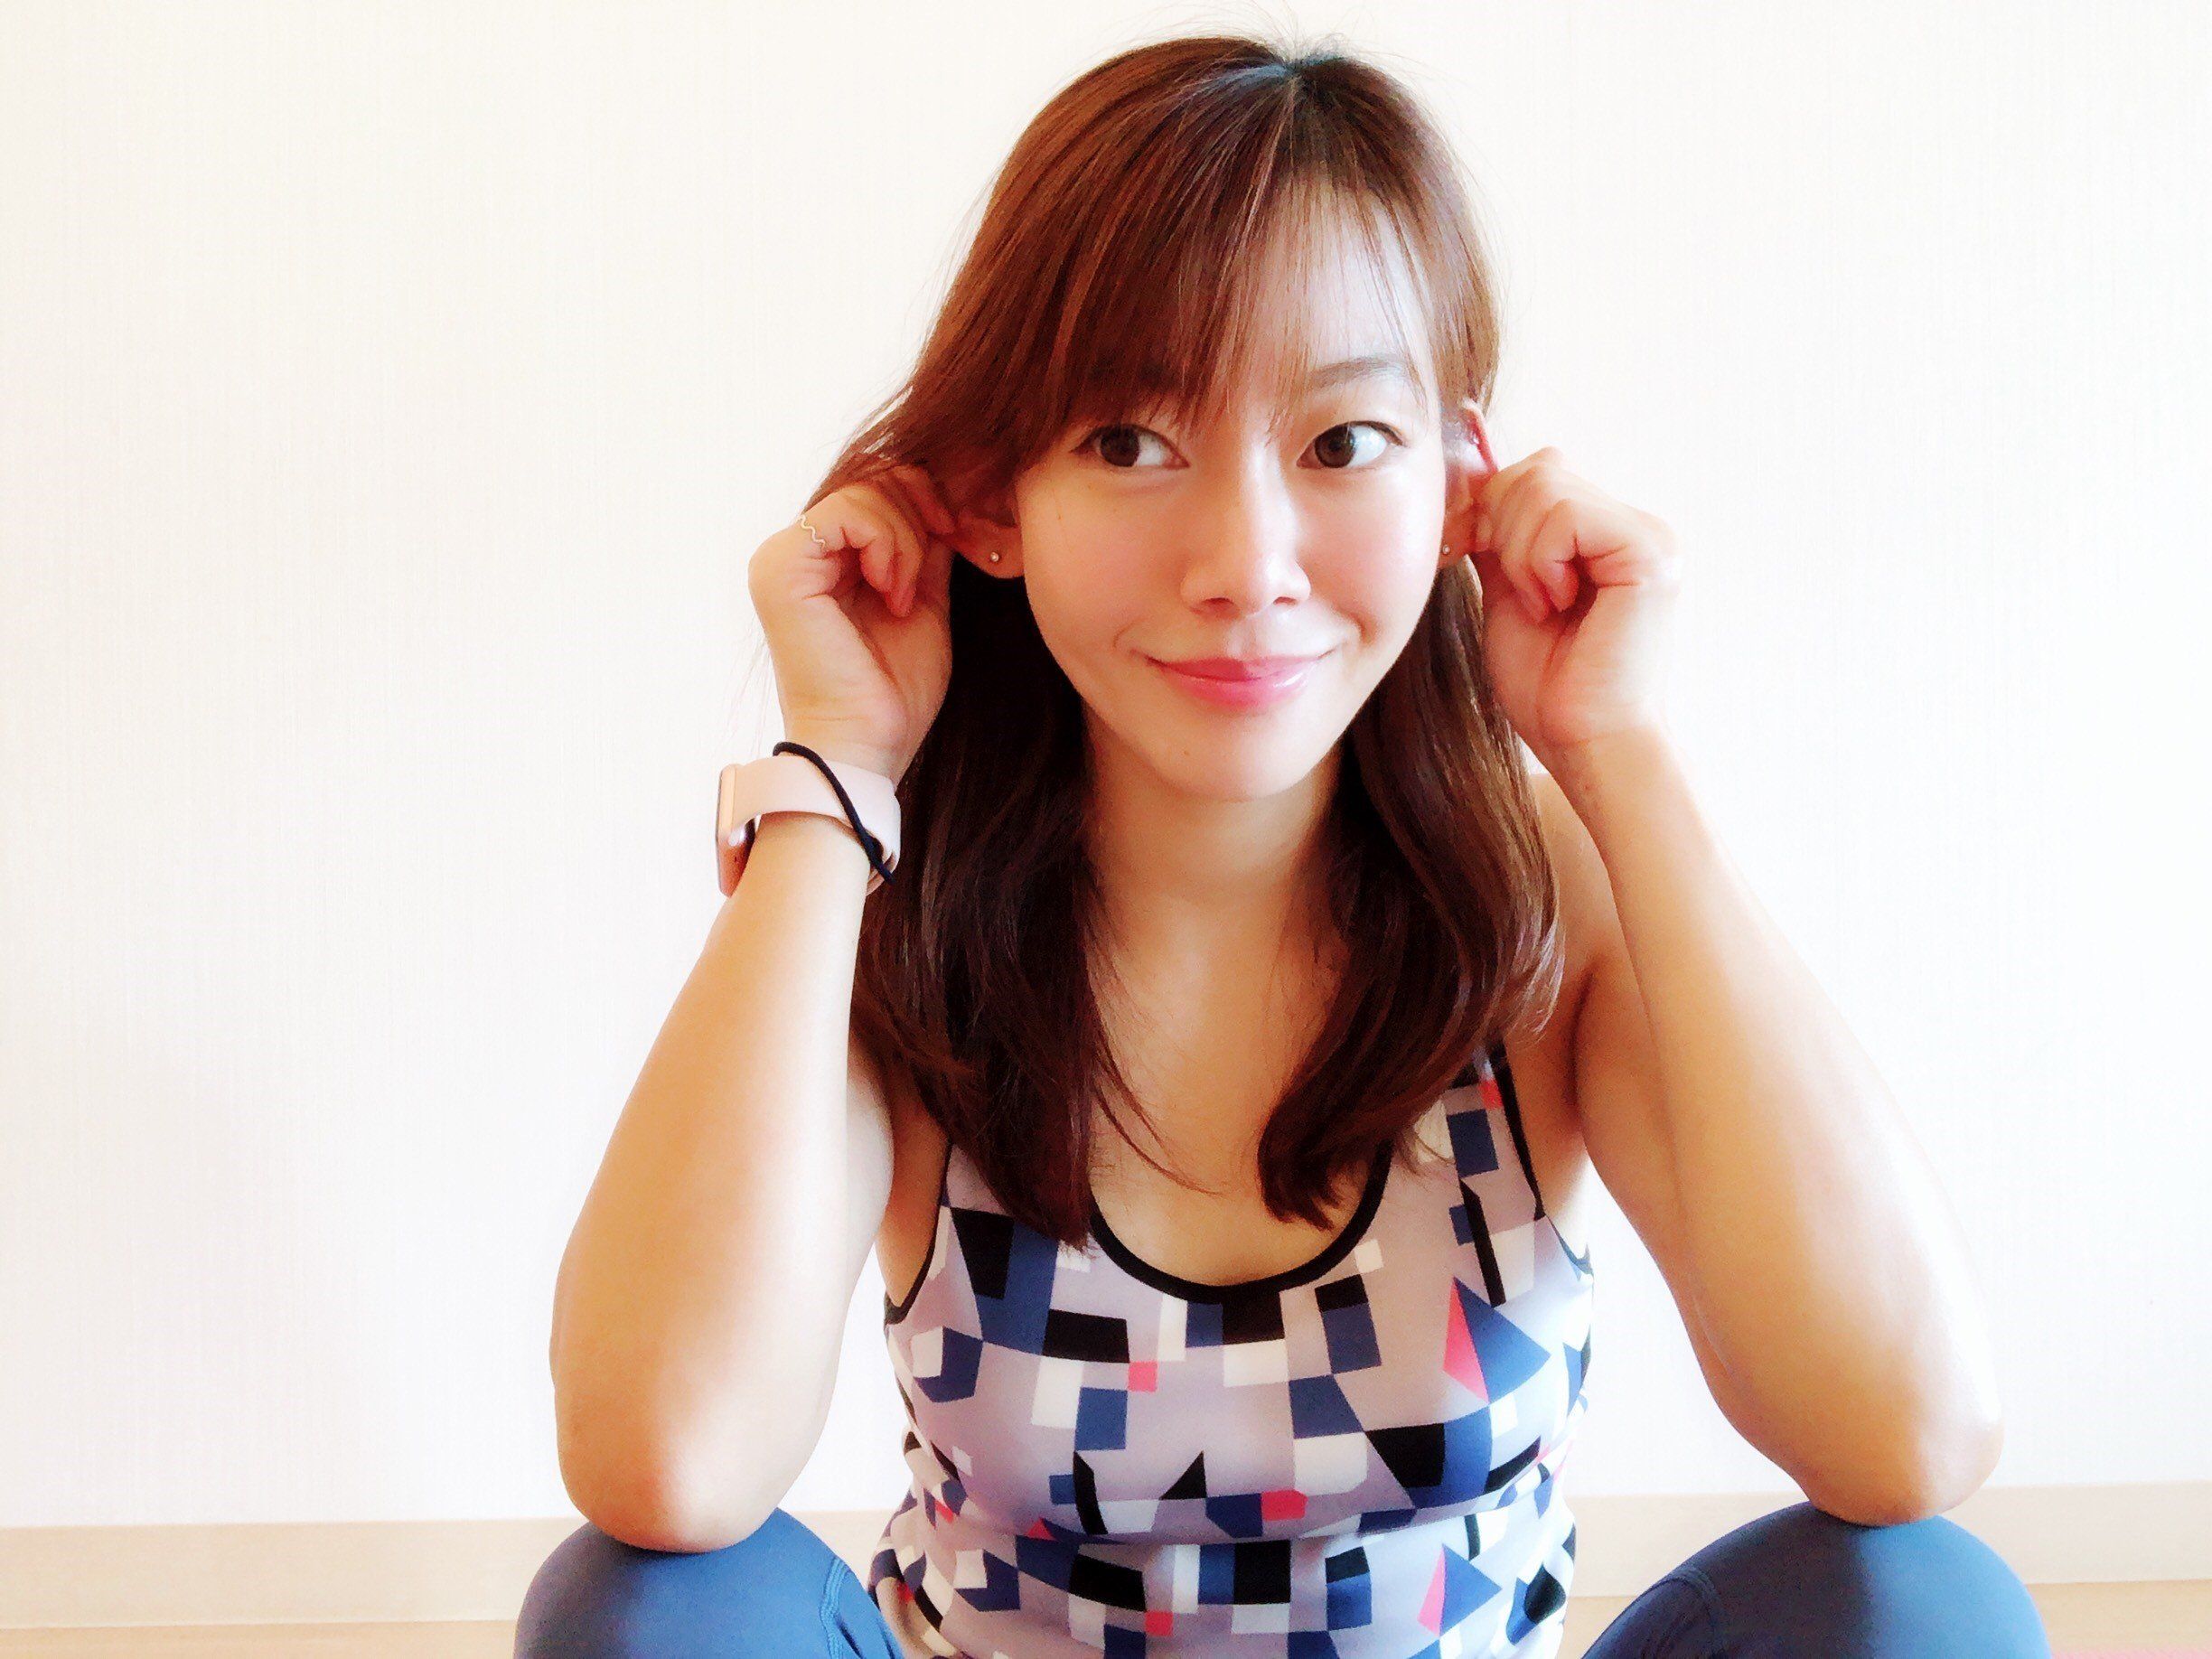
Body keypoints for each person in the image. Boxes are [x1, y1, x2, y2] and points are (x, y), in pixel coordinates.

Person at [521, 29, 2048, 1658]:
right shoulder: (905, 912)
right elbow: (664, 1461)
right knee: (642, 1615)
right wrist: (837, 766)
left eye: (1339, 444)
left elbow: (1908, 1437)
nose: (1247, 566)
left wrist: (1615, 752)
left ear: (1457, 483)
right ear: (993, 501)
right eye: (1130, 443)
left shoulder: (1538, 897)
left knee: (1919, 1610)